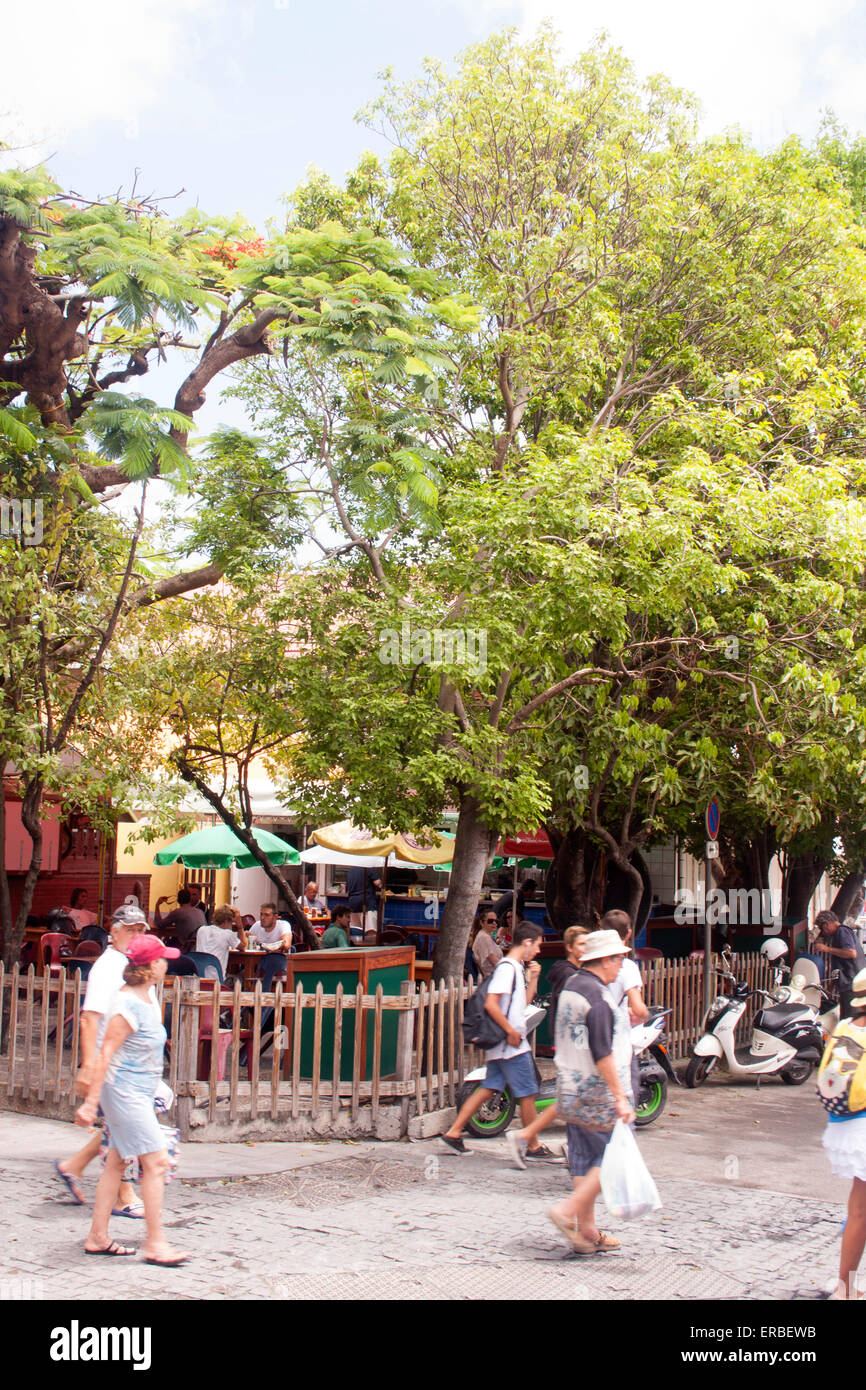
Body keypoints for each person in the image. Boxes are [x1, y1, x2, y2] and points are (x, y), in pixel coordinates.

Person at [75, 934, 188, 1265]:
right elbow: (105, 1052)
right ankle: (156, 1243)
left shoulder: (143, 997)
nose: (167, 963)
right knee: (156, 1162)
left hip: (135, 1091)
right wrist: (89, 1102)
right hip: (124, 1093)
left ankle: (98, 1236)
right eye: (163, 959)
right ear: (152, 966)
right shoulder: (128, 1004)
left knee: (117, 1161)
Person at [53, 904, 151, 1217]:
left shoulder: (130, 964)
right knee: (125, 1125)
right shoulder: (109, 967)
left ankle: (73, 1166)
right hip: (114, 1062)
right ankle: (122, 1193)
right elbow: (89, 1018)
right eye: (130, 929)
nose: (136, 934)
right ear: (115, 931)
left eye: (140, 929)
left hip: (132, 1062)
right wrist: (90, 1064)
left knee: (121, 1123)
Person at [546, 927, 635, 1255]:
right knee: (614, 1158)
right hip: (597, 1093)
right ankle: (566, 1212)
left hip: (570, 1085)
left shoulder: (572, 985)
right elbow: (602, 1052)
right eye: (619, 960)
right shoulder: (598, 998)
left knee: (584, 1160)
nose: (621, 967)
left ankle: (587, 1231)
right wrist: (620, 1097)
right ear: (605, 960)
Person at [440, 921, 557, 1160]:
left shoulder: (514, 968)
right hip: (511, 1045)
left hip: (505, 1045)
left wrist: (534, 979)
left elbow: (519, 1004)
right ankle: (532, 1146)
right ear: (526, 943)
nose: (537, 952)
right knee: (527, 1093)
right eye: (536, 946)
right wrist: (510, 1031)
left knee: (489, 1088)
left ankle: (454, 1132)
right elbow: (491, 1004)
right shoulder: (507, 968)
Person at [505, 924, 590, 1168]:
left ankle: (570, 1147)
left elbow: (526, 999)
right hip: (568, 1042)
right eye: (581, 944)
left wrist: (533, 978)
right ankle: (529, 1140)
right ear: (570, 947)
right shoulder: (568, 974)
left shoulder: (573, 972)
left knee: (570, 1095)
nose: (585, 949)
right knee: (566, 1095)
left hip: (569, 1040)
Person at [820, 969, 866, 1298]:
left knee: (858, 1210)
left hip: (845, 1126)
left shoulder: (845, 1027)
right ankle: (845, 1289)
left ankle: (845, 1287)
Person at [813, 909, 866, 1018]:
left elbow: (851, 953)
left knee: (849, 1017)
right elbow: (818, 942)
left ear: (827, 924)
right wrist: (831, 985)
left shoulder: (842, 931)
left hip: (851, 983)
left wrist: (827, 949)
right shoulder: (838, 933)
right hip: (847, 983)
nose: (823, 933)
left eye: (822, 928)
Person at [195, 905, 247, 978]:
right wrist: (240, 926)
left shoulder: (201, 930)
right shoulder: (228, 934)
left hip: (200, 976)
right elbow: (243, 946)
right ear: (226, 921)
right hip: (217, 979)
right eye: (231, 922)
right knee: (239, 977)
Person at [346, 865, 381, 936]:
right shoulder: (368, 868)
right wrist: (381, 884)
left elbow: (347, 888)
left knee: (356, 932)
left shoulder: (350, 871)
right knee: (371, 932)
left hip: (353, 904)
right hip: (367, 903)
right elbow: (377, 883)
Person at [470, 909, 503, 980]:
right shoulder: (484, 937)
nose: (494, 923)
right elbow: (493, 960)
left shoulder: (487, 935)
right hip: (492, 976)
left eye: (496, 921)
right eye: (490, 921)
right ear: (482, 923)